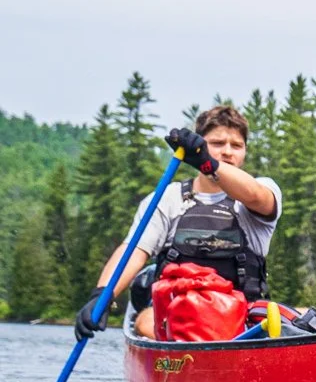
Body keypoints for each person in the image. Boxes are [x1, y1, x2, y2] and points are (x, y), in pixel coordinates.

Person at [75, 104, 283, 340]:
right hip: (174, 317)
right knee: (143, 321)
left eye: (237, 145)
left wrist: (208, 163)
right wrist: (102, 294)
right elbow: (134, 250)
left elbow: (258, 197)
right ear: (201, 145)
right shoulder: (167, 198)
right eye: (216, 144)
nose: (228, 152)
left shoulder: (261, 189)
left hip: (240, 323)